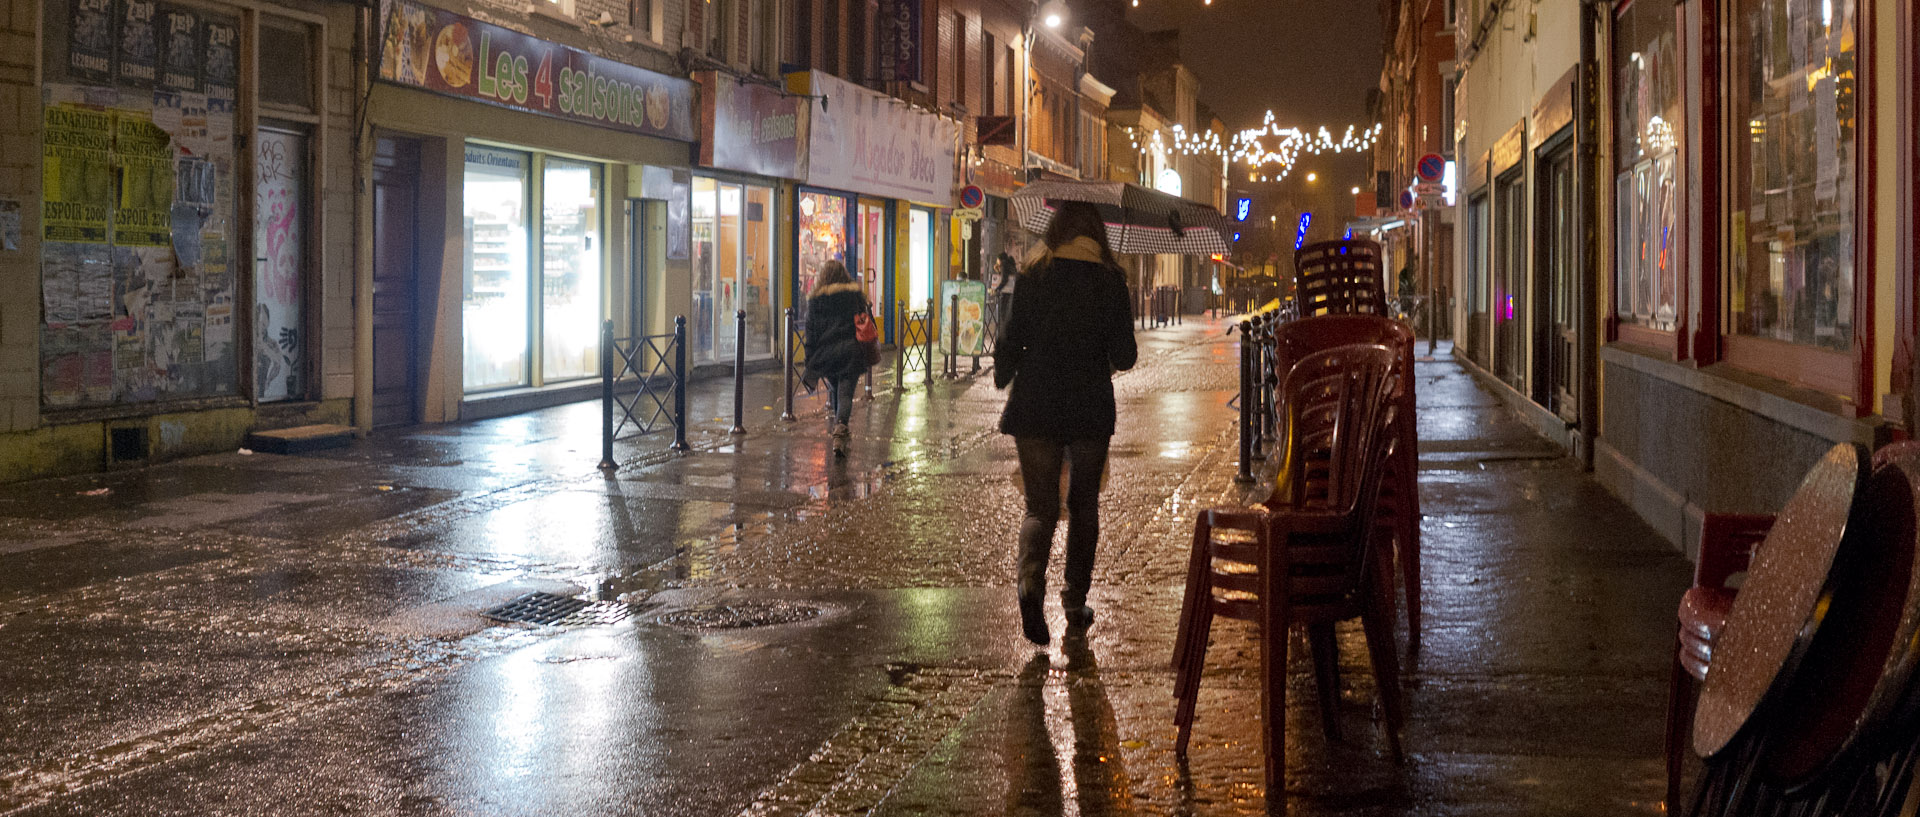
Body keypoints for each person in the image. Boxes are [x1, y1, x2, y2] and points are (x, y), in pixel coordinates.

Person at [993, 201, 1138, 645]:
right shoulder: (1111, 280)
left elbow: (1011, 339)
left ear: (1056, 229)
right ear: (1097, 233)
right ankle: (1074, 601)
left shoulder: (1036, 274)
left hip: (1035, 403)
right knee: (1084, 506)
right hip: (1089, 406)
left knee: (1040, 508)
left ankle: (1029, 585)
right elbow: (1125, 355)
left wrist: (1005, 372)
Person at [802, 260, 870, 458]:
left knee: (835, 390)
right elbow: (865, 320)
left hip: (827, 356)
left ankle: (838, 429)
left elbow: (811, 334)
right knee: (845, 393)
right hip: (850, 352)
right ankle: (840, 428)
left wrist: (810, 361)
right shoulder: (853, 296)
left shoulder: (816, 301)